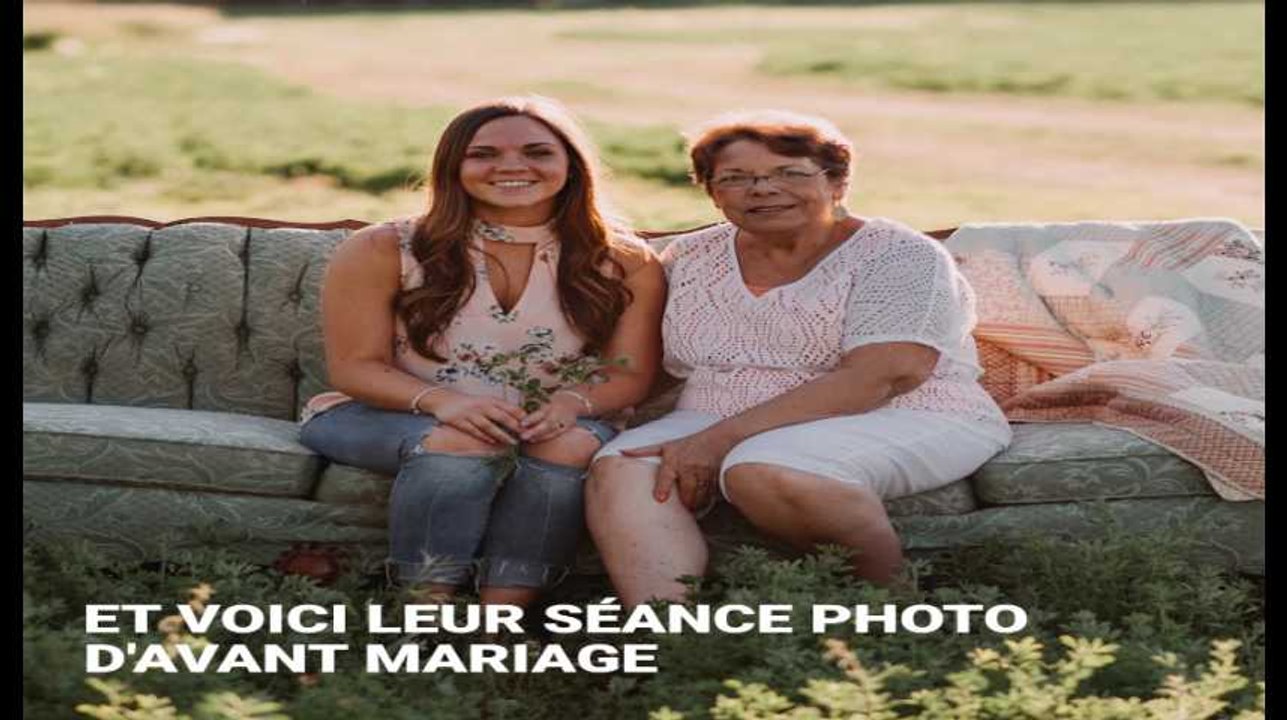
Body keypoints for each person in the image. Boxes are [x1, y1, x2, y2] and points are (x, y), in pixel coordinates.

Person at [585, 110, 1012, 607]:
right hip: (714, 409)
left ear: (837, 181)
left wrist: (715, 441)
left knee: (769, 468)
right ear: (712, 193)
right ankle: (670, 637)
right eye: (736, 179)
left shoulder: (900, 255)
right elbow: (646, 363)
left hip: (905, 411)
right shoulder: (689, 257)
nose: (762, 189)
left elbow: (884, 376)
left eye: (788, 173)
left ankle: (892, 618)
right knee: (622, 465)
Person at [299, 96, 665, 608]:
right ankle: (423, 610)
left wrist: (569, 406)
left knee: (569, 445)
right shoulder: (385, 247)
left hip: (552, 421)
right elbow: (356, 367)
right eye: (484, 153)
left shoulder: (624, 259)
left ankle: (501, 623)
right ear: (454, 167)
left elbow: (628, 373)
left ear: (570, 166)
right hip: (388, 413)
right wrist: (447, 403)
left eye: (538, 151)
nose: (512, 166)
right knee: (462, 441)